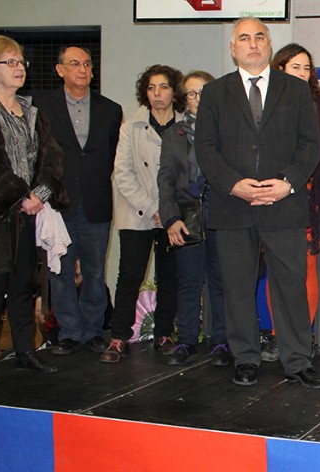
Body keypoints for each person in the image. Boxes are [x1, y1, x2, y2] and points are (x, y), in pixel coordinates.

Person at [195, 17, 320, 388]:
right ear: (232, 48)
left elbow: (310, 145)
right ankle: (245, 359)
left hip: (284, 203)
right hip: (233, 204)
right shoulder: (215, 92)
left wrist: (288, 183)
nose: (252, 44)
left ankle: (297, 361)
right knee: (237, 287)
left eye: (259, 37)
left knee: (291, 286)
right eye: (244, 38)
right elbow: (205, 148)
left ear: (269, 45)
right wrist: (233, 184)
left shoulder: (295, 89)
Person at [0, 35, 66, 383]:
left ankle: (25, 352)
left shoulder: (32, 112)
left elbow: (53, 158)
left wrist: (41, 194)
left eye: (21, 62)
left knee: (23, 285)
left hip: (29, 213)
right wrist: (20, 196)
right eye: (10, 62)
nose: (19, 68)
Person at [34, 46, 122, 356]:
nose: (83, 69)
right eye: (75, 64)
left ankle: (94, 330)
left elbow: (110, 155)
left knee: (95, 271)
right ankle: (69, 332)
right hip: (58, 202)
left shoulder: (110, 109)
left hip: (96, 201)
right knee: (60, 272)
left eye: (87, 64)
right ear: (60, 70)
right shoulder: (42, 106)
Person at [261, 43, 320, 363]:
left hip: (311, 198)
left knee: (305, 269)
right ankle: (277, 333)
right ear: (279, 69)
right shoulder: (263, 104)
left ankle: (298, 337)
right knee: (277, 270)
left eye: (307, 68)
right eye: (295, 66)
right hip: (270, 199)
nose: (302, 73)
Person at [102, 64, 183, 363]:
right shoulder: (130, 127)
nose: (157, 93)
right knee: (130, 275)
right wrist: (152, 209)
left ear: (174, 92)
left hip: (173, 216)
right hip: (138, 214)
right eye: (151, 88)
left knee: (170, 275)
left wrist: (170, 212)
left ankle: (164, 333)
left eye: (164, 87)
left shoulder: (185, 126)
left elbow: (189, 174)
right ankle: (118, 337)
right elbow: (122, 174)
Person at [157, 70, 230, 367]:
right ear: (184, 98)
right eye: (192, 93)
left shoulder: (228, 130)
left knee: (221, 282)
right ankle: (186, 340)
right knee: (188, 282)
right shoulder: (173, 134)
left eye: (204, 92)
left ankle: (222, 342)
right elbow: (165, 180)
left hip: (222, 213)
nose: (198, 98)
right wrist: (170, 218)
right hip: (186, 216)